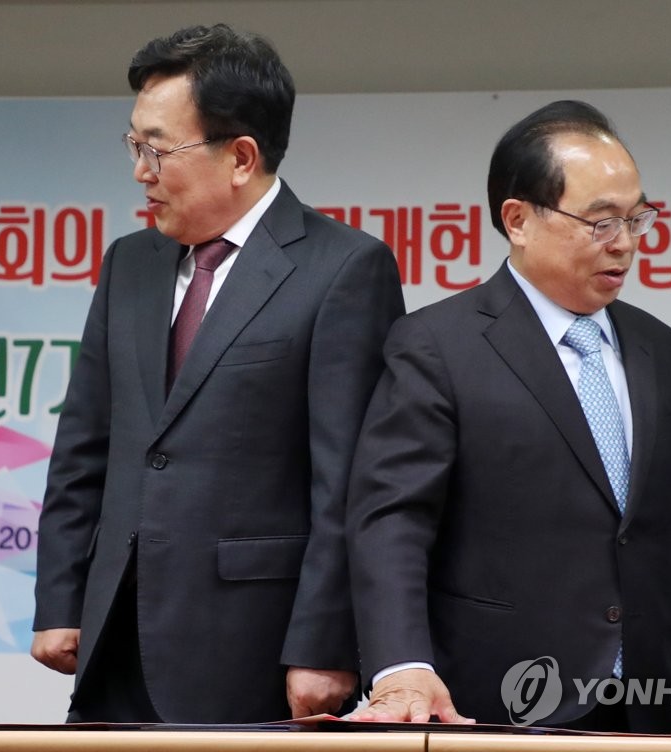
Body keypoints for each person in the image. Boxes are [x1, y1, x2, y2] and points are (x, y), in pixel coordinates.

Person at [31, 23, 405, 724]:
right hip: (113, 639)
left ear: (240, 157)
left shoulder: (344, 269)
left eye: (157, 149)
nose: (140, 171)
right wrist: (60, 598)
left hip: (252, 647)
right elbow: (84, 446)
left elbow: (349, 483)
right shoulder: (130, 263)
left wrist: (325, 645)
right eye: (134, 145)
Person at [345, 100, 671, 734]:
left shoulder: (662, 349)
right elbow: (393, 520)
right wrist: (401, 667)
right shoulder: (438, 345)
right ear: (518, 220)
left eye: (637, 218)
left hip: (646, 705)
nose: (626, 243)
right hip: (497, 700)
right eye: (601, 222)